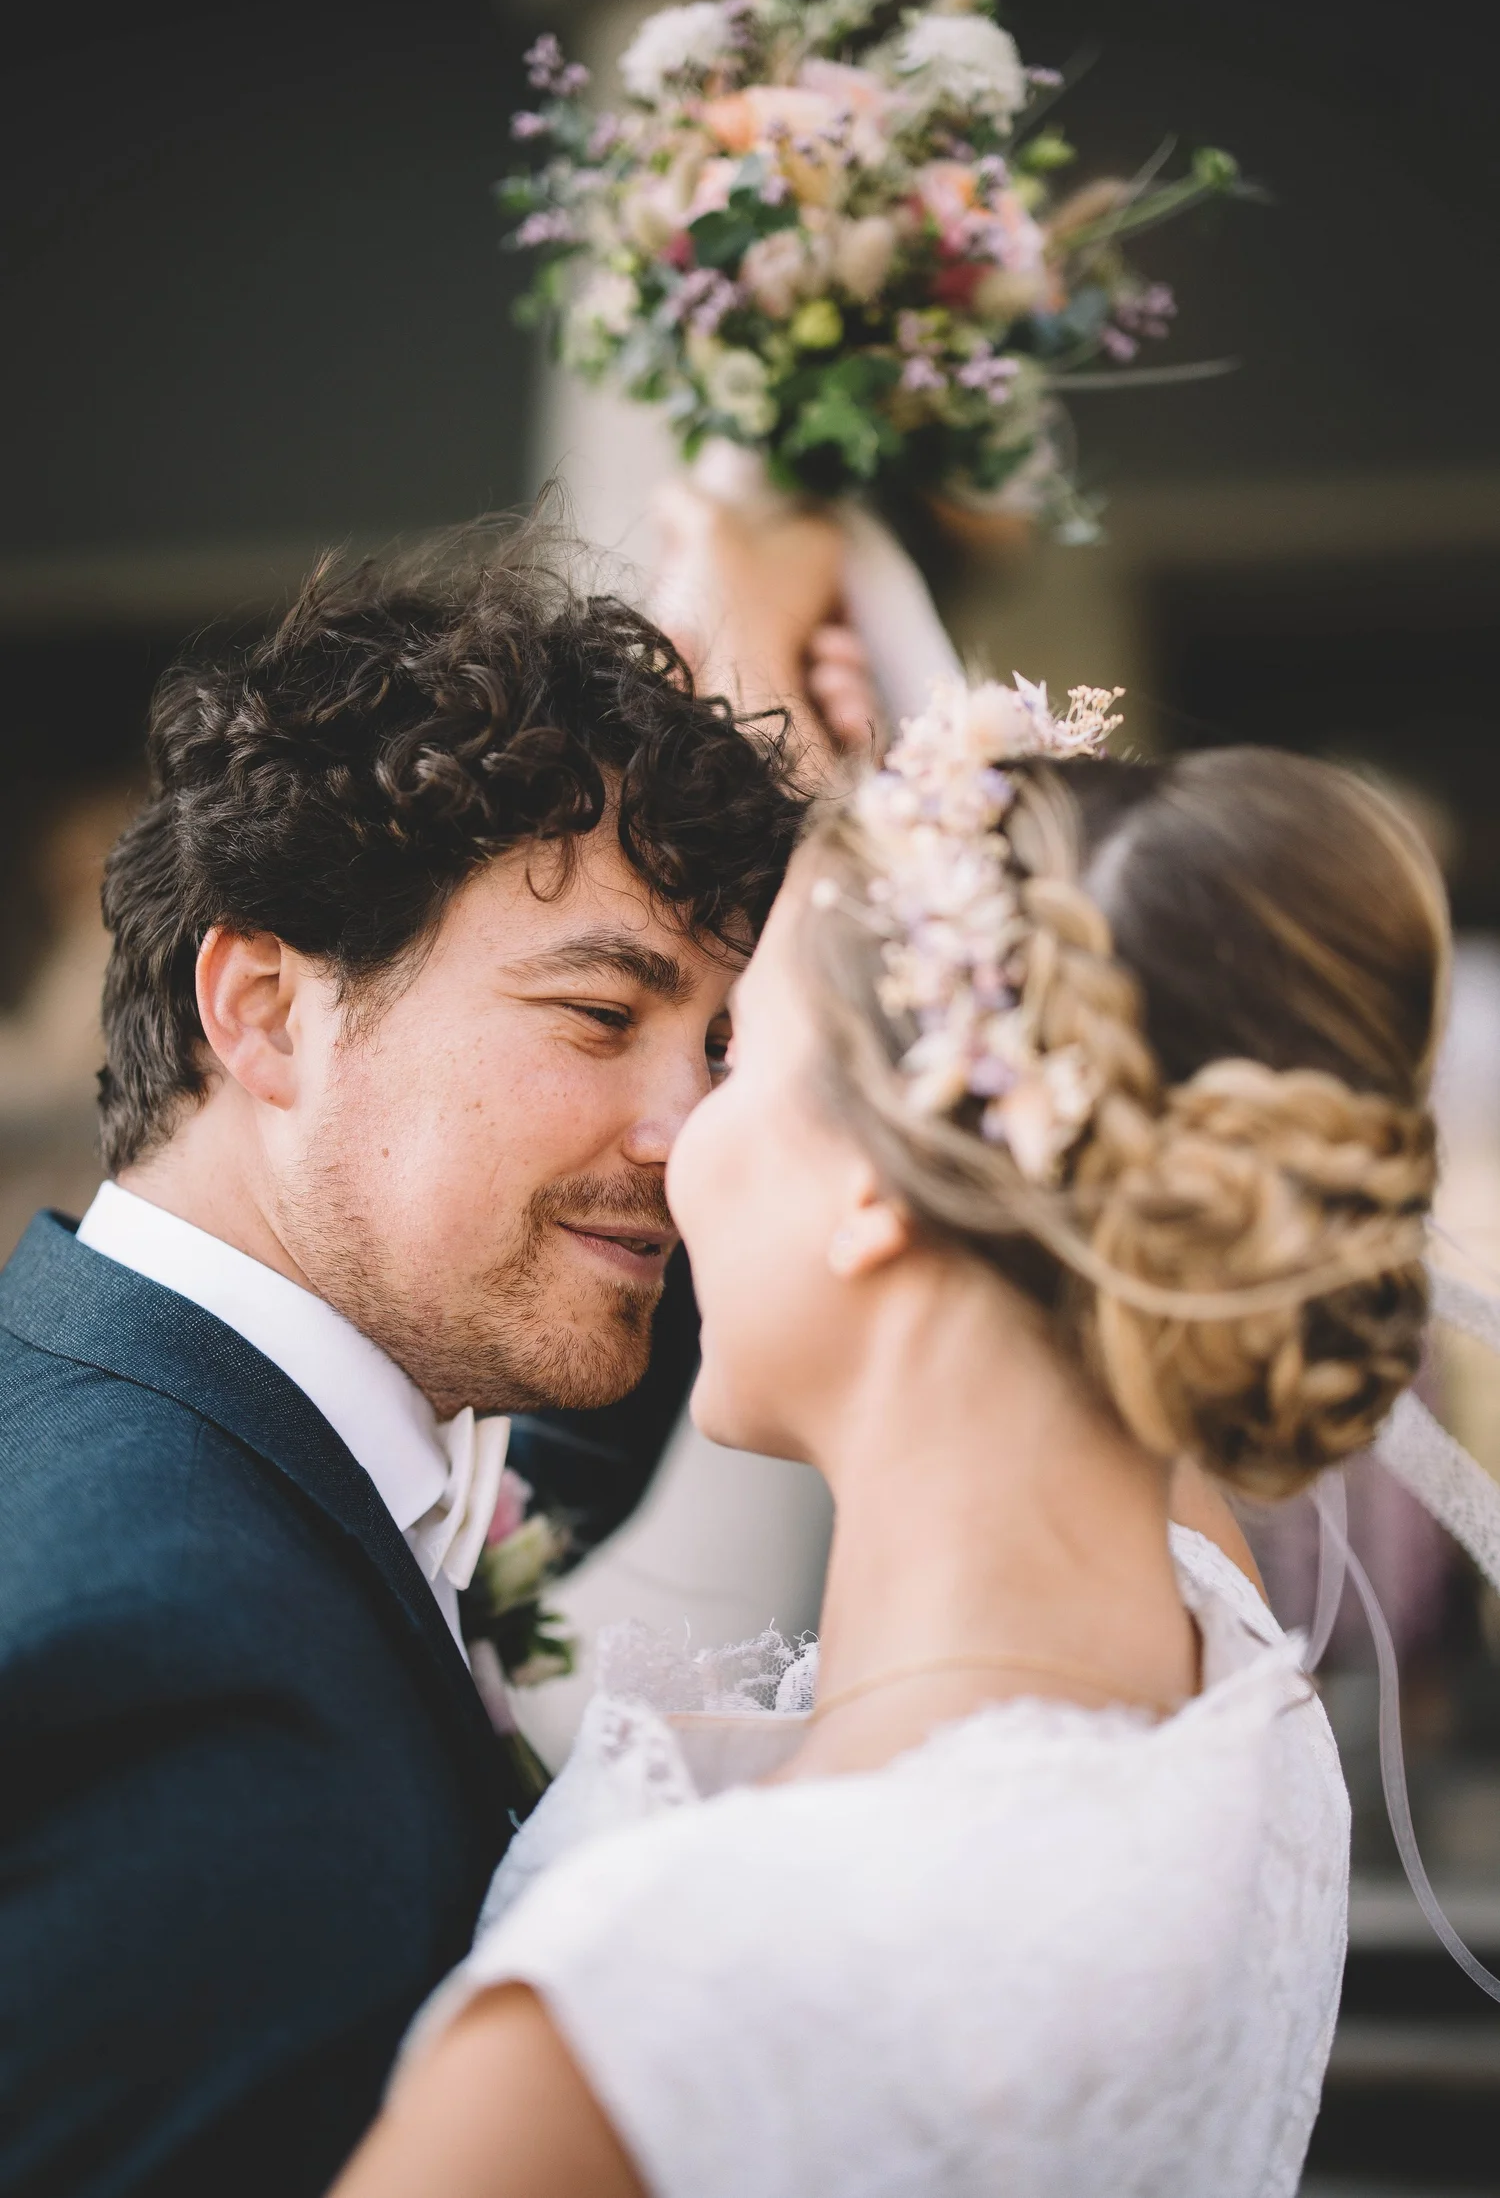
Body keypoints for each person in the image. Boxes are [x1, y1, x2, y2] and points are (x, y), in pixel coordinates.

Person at [332, 679, 1445, 2197]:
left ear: (876, 1173)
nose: (677, 1145)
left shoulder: (647, 2016)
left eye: (734, 1050)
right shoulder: (1239, 1699)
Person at [0, 522, 851, 2198]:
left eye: (725, 1048)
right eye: (605, 1018)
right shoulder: (164, 1652)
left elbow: (532, 1489)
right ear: (262, 1010)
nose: (693, 1138)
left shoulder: (222, 1432)